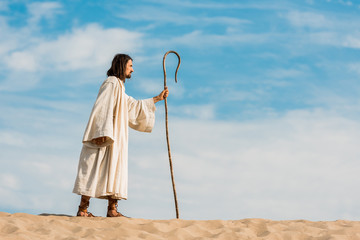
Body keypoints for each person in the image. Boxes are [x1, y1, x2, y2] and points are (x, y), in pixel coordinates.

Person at [72, 54, 169, 217]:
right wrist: (101, 131)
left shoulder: (119, 87)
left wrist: (157, 99)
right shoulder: (111, 83)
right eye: (130, 66)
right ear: (122, 65)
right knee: (94, 166)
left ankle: (112, 209)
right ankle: (82, 210)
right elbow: (101, 107)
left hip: (116, 136)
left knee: (115, 168)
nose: (132, 69)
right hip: (106, 134)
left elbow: (132, 106)